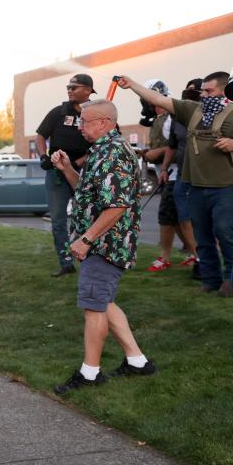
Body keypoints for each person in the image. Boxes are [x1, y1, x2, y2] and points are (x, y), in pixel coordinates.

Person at [50, 100, 156, 393]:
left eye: (85, 122)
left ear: (104, 123)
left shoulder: (113, 153)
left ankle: (90, 373)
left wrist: (86, 239)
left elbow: (116, 206)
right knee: (104, 302)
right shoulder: (100, 150)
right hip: (99, 241)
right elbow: (88, 193)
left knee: (93, 306)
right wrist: (68, 169)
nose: (80, 127)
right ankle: (138, 362)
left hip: (106, 244)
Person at [117, 72, 233, 297]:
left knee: (226, 232)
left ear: (222, 91)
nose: (204, 95)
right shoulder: (192, 109)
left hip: (225, 186)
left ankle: (231, 279)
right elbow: (158, 99)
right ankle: (210, 279)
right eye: (203, 91)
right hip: (195, 185)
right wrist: (131, 84)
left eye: (209, 91)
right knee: (202, 235)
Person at [35, 74, 94, 277]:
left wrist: (78, 162)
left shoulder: (96, 112)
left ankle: (92, 258)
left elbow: (103, 142)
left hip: (85, 173)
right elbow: (40, 135)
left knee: (88, 217)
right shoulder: (58, 112)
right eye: (68, 87)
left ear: (88, 90)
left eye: (74, 87)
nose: (69, 90)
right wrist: (44, 155)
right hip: (57, 174)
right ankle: (66, 262)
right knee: (58, 220)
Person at [140, 81, 197, 273]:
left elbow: (172, 147)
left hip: (177, 174)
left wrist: (154, 155)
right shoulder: (162, 119)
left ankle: (169, 256)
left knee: (169, 216)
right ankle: (193, 253)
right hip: (168, 173)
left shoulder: (172, 118)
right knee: (176, 218)